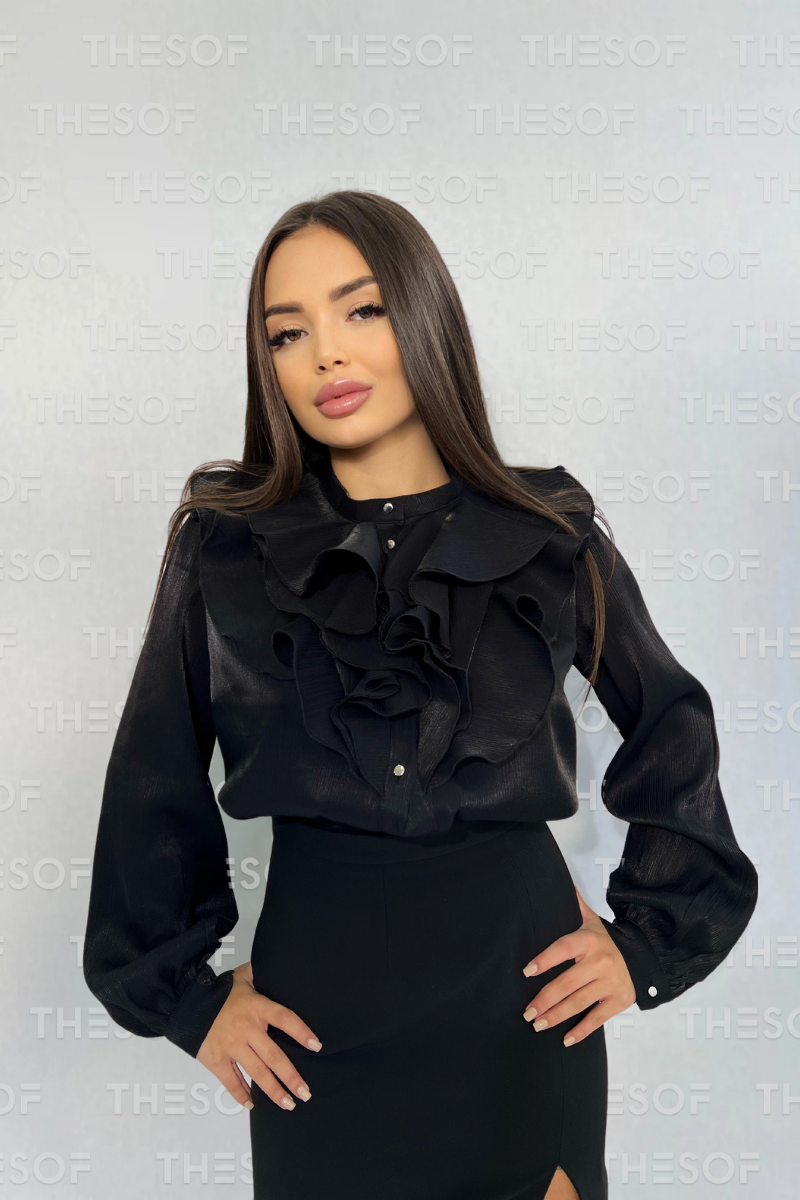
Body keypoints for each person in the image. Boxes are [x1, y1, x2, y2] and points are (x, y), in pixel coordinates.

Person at [83, 190, 758, 1200]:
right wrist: (184, 999)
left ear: (425, 315)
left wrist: (645, 945)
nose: (325, 354)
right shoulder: (225, 547)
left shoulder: (546, 531)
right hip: (316, 1029)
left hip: (521, 1009)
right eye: (286, 332)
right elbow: (152, 775)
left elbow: (671, 723)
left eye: (362, 310)